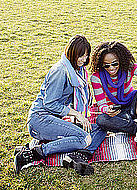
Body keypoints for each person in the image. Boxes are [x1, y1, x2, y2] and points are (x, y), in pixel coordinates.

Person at [14, 35, 107, 175]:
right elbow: (50, 103)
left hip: (55, 120)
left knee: (100, 128)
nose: (83, 59)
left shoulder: (78, 70)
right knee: (84, 137)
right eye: (80, 56)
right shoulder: (60, 71)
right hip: (40, 120)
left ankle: (78, 156)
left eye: (86, 56)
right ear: (71, 53)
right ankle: (32, 154)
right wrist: (76, 114)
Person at [90, 41, 137, 158]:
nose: (111, 68)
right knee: (101, 120)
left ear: (121, 60)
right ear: (101, 64)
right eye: (106, 65)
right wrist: (107, 109)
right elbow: (101, 104)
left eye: (115, 64)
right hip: (118, 112)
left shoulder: (129, 68)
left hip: (134, 105)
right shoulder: (96, 78)